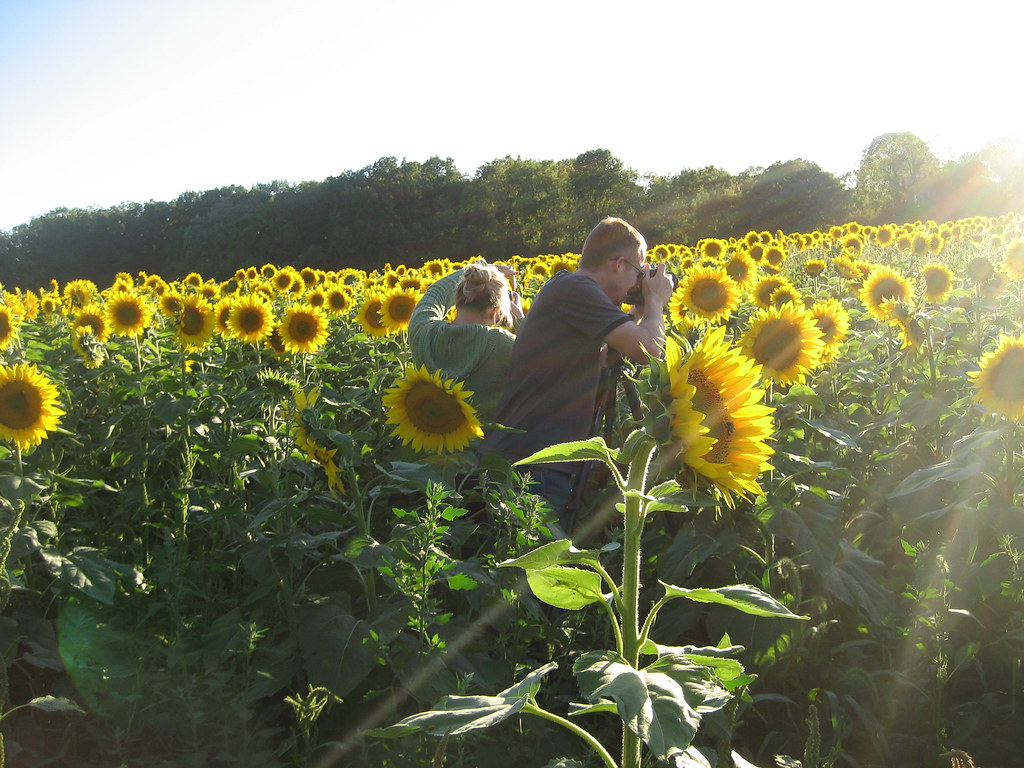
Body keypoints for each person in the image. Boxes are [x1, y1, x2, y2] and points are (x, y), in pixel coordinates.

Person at [478, 217, 673, 525]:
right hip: (534, 464)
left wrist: (638, 309)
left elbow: (612, 354)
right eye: (639, 271)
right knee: (532, 567)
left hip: (531, 456)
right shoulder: (576, 288)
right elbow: (649, 351)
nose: (639, 282)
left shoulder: (569, 289)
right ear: (618, 264)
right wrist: (656, 302)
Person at [409, 261, 524, 423]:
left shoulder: (423, 331)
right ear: (495, 312)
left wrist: (483, 272)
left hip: (431, 441)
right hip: (491, 445)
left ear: (456, 302)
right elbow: (546, 360)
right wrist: (520, 320)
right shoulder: (505, 345)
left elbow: (436, 292)